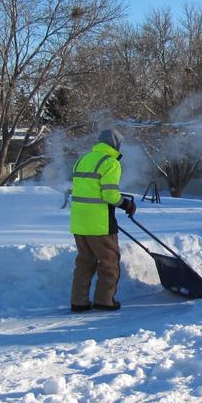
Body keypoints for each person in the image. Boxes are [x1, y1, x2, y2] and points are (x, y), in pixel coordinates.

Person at [69, 128, 136, 312]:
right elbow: (109, 195)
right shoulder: (110, 163)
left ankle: (78, 301)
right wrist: (126, 204)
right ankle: (104, 300)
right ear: (115, 144)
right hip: (100, 224)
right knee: (109, 263)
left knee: (84, 262)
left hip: (79, 222)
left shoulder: (82, 160)